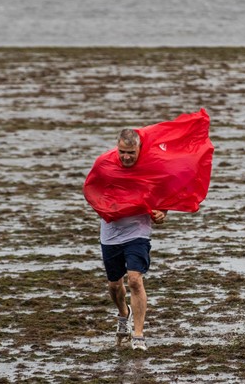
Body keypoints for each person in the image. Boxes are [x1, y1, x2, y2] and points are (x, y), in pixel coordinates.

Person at [100, 128, 167, 351]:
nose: (126, 157)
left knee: (135, 279)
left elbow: (163, 195)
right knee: (114, 285)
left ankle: (138, 335)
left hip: (137, 232)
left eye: (131, 152)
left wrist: (162, 213)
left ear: (140, 149)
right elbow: (94, 191)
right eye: (122, 152)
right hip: (111, 233)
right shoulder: (105, 167)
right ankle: (123, 314)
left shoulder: (151, 169)